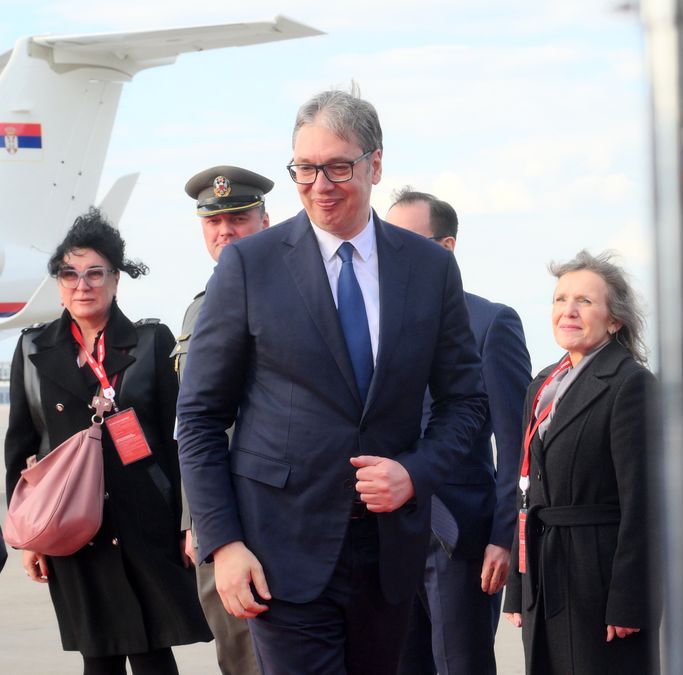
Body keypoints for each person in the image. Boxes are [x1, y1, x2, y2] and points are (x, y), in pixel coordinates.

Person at [175, 88, 487, 675]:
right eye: (305, 169)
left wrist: (414, 472)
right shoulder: (250, 266)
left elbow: (465, 402)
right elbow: (198, 418)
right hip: (277, 552)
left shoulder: (429, 269)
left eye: (338, 167)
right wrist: (223, 543)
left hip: (389, 553)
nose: (321, 185)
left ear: (375, 164)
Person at [5, 208, 211, 674]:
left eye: (95, 273)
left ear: (116, 280)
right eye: (70, 274)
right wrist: (31, 538)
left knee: (154, 652)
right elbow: (20, 450)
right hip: (74, 526)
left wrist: (188, 522)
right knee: (97, 657)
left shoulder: (150, 342)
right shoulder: (33, 350)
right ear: (58, 284)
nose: (83, 285)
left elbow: (178, 440)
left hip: (146, 522)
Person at [387, 188, 531, 675]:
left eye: (404, 240)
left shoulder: (491, 323)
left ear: (445, 248)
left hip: (461, 540)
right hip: (390, 539)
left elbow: (515, 447)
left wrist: (504, 538)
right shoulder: (376, 325)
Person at [502, 250, 659, 674]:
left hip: (599, 580)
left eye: (585, 301)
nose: (568, 311)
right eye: (560, 299)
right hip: (544, 574)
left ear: (614, 319)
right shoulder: (542, 385)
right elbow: (524, 491)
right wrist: (518, 589)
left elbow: (644, 506)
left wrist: (632, 601)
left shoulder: (631, 385)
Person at [176, 165, 272, 675]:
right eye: (213, 222)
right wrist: (195, 519)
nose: (225, 230)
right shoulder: (198, 311)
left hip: (278, 509)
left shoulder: (293, 298)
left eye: (238, 217)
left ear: (265, 220)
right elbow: (192, 425)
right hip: (216, 515)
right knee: (235, 656)